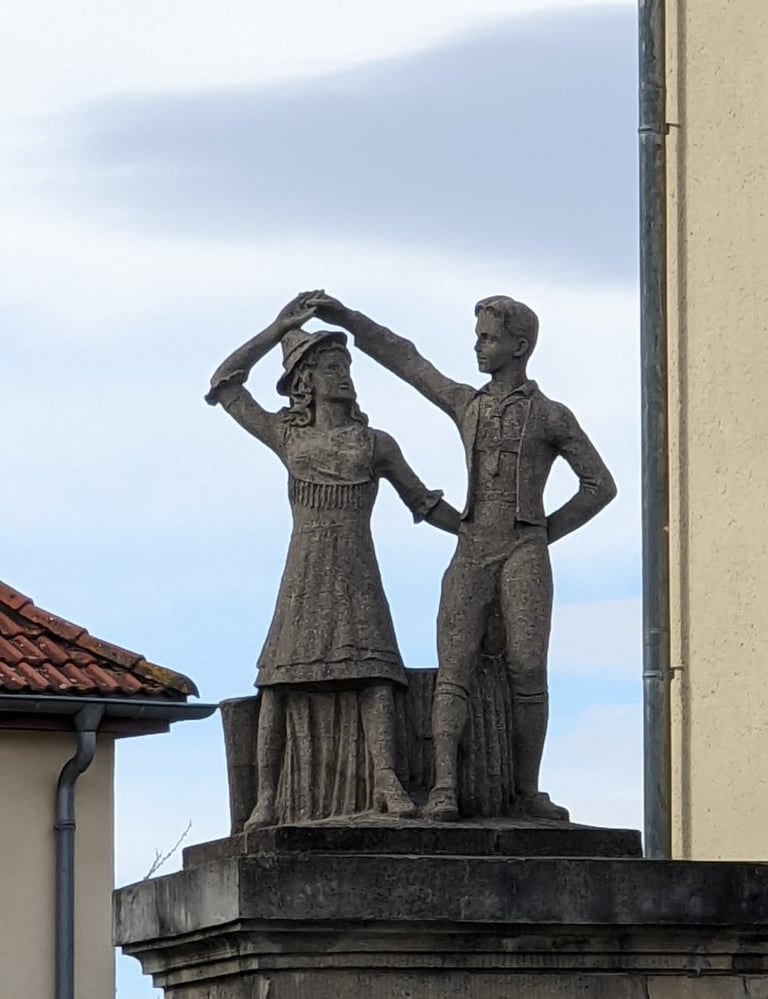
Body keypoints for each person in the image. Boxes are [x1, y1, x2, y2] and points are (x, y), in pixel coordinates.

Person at [311, 291, 617, 822]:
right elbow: (408, 360)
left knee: (528, 668)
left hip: (523, 550)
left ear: (519, 346)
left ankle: (527, 791)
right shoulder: (467, 404)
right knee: (454, 668)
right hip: (472, 548)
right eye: (478, 337)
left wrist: (540, 534)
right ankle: (445, 786)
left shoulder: (551, 415)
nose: (478, 347)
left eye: (488, 338)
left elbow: (600, 485)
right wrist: (348, 318)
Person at [206, 292, 460, 829]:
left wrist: (474, 530)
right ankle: (267, 798)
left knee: (377, 674)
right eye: (329, 367)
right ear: (306, 381)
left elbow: (423, 502)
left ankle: (387, 781)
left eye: (345, 366)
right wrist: (277, 328)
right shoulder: (287, 435)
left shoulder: (376, 443)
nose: (342, 376)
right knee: (279, 680)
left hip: (358, 566)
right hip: (304, 567)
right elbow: (225, 384)